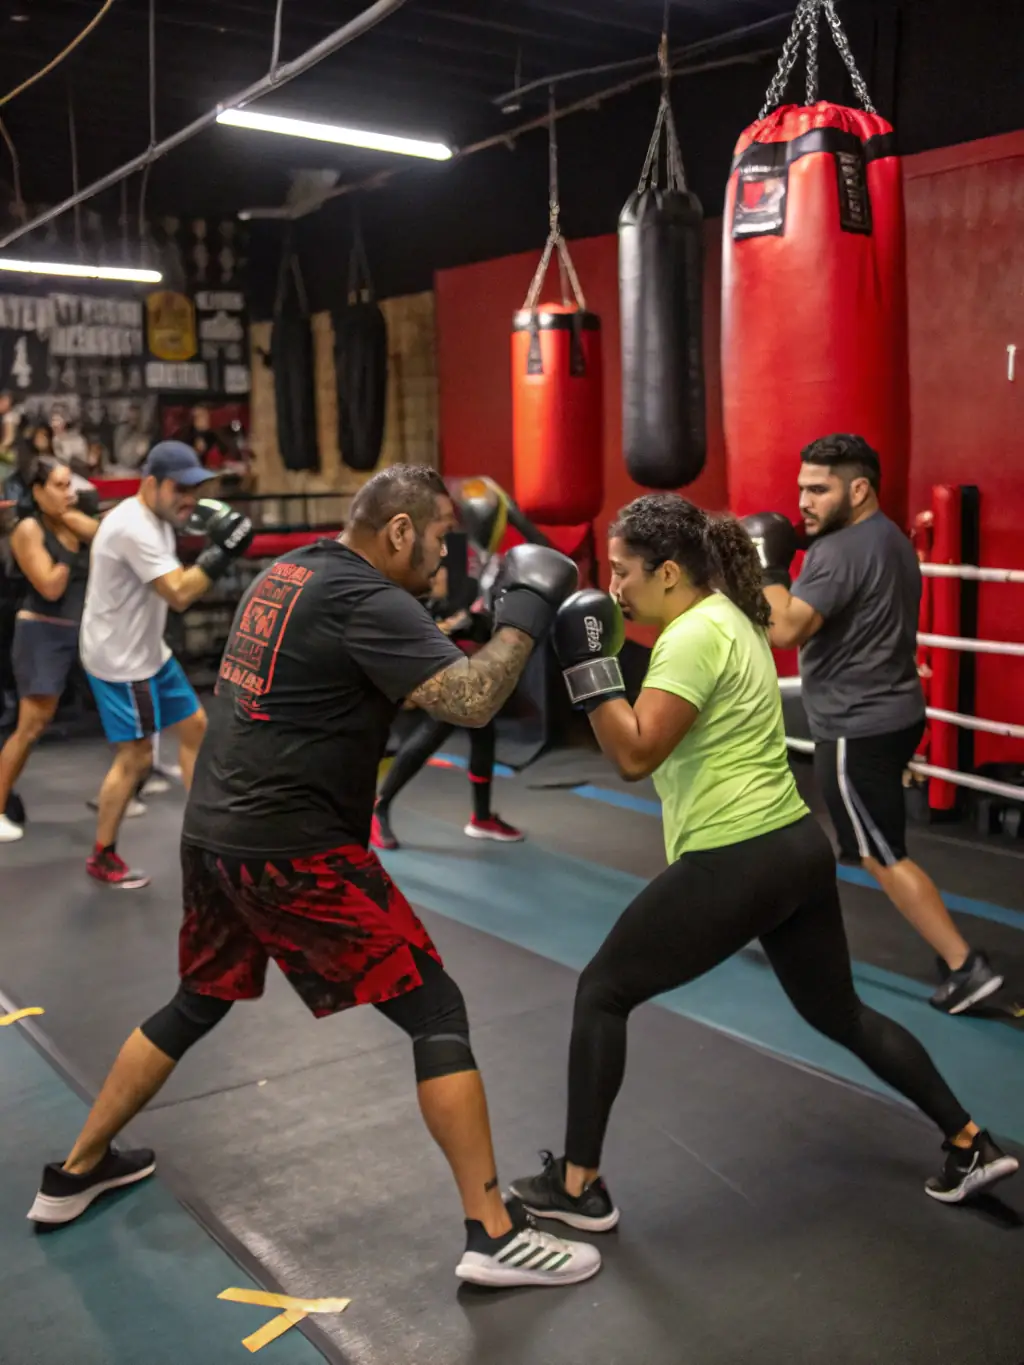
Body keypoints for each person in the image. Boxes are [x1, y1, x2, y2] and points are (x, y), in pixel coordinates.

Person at [29, 464, 602, 1291]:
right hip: (291, 849)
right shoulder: (368, 599)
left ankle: (76, 1171)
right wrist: (525, 616)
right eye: (438, 538)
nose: (444, 556)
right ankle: (495, 1232)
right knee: (435, 1005)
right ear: (399, 531)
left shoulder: (288, 570)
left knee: (200, 997)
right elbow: (473, 700)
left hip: (213, 832)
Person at [510, 493, 1018, 1232]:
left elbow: (634, 751)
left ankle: (581, 1184)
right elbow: (665, 705)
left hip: (736, 853)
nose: (614, 587)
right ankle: (969, 1142)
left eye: (623, 572)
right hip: (794, 847)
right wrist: (609, 650)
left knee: (602, 991)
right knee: (838, 1010)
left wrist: (585, 661)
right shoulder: (729, 617)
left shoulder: (692, 636)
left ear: (671, 571)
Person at [743, 434, 1002, 1014]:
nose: (804, 501)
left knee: (880, 851)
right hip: (895, 711)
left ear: (858, 489)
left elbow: (785, 631)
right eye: (801, 488)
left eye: (819, 489)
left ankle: (967, 968)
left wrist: (767, 568)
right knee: (850, 838)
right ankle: (784, 914)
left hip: (856, 726)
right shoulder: (889, 538)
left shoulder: (837, 553)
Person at [79, 440, 253, 888]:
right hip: (122, 660)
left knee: (195, 726)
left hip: (148, 650)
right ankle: (103, 855)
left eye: (194, 490)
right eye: (180, 489)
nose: (189, 500)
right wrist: (223, 551)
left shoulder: (157, 515)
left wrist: (206, 519)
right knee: (135, 757)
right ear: (151, 483)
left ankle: (205, 832)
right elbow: (178, 593)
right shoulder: (133, 527)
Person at [372, 564, 523, 849]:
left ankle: (481, 817)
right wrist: (451, 627)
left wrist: (477, 622)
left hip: (460, 679)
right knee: (434, 733)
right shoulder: (411, 603)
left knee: (483, 731)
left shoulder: (450, 599)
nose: (443, 577)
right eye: (437, 573)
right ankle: (380, 805)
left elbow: (477, 632)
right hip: (427, 683)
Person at [0, 458, 99, 843]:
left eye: (70, 485)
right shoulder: (29, 528)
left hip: (80, 632)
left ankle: (132, 787)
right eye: (59, 486)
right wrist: (74, 546)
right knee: (30, 727)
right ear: (38, 492)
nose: (70, 493)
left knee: (125, 709)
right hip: (42, 632)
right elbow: (50, 586)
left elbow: (111, 538)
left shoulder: (73, 519)